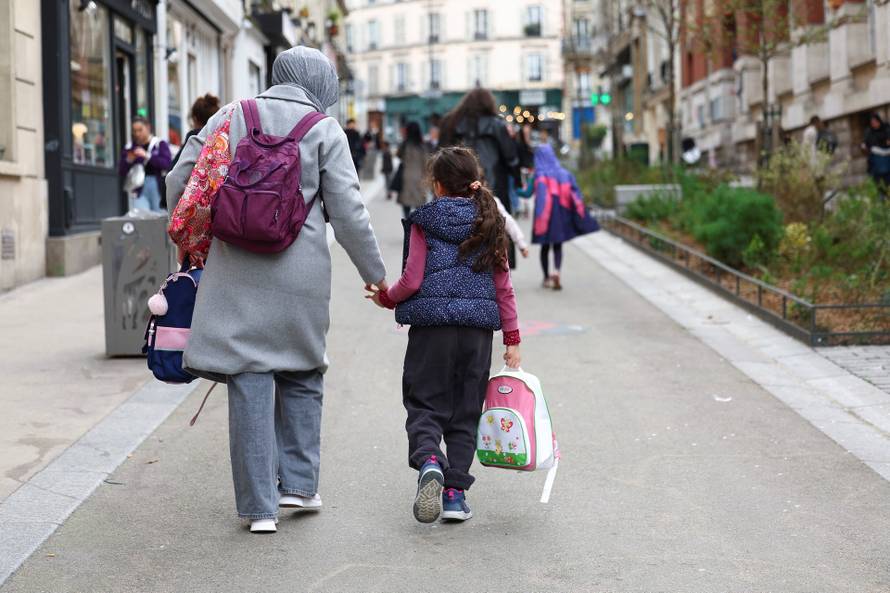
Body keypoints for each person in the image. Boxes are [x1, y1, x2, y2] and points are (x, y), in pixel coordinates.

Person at [165, 46, 387, 534]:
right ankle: (301, 486)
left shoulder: (231, 114)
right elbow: (349, 211)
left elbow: (181, 179)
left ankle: (258, 509)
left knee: (249, 377)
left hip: (235, 270)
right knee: (304, 370)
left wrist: (197, 228)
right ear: (321, 83)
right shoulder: (325, 131)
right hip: (300, 276)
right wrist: (375, 274)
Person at [366, 146, 521, 524]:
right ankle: (454, 495)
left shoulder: (425, 220)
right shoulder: (489, 222)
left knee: (424, 403)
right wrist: (513, 339)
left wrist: (386, 298)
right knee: (466, 411)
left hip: (431, 331)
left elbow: (412, 279)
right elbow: (504, 286)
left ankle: (430, 461)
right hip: (477, 335)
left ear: (437, 186)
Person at [439, 88, 521, 267]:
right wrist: (518, 182)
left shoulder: (451, 124)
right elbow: (511, 158)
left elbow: (440, 158)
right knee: (496, 227)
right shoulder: (497, 125)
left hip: (455, 187)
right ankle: (498, 267)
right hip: (492, 187)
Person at [526, 144, 600, 289]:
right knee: (558, 244)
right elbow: (576, 193)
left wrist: (516, 191)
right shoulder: (565, 174)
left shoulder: (538, 175)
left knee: (545, 246)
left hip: (543, 216)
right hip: (560, 214)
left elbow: (527, 193)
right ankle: (557, 271)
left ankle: (546, 278)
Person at [164, 93, 220, 209]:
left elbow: (175, 177)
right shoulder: (223, 138)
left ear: (194, 119)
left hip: (196, 208)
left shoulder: (194, 139)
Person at [118, 117, 171, 212]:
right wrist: (128, 160)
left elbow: (167, 164)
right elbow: (121, 171)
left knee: (159, 218)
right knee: (142, 218)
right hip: (138, 188)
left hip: (157, 186)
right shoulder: (130, 147)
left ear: (148, 128)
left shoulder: (159, 144)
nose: (137, 134)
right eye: (134, 131)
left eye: (140, 130)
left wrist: (147, 156)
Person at [395, 121, 429, 219]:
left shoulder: (405, 145)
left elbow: (398, 155)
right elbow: (426, 163)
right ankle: (416, 232)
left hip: (406, 179)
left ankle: (407, 230)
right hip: (420, 179)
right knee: (420, 209)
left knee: (406, 209)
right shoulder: (423, 146)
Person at [861, 112, 890, 196]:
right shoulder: (869, 132)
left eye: (875, 122)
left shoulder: (886, 128)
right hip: (876, 165)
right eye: (872, 123)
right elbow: (865, 146)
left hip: (887, 162)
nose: (874, 124)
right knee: (880, 187)